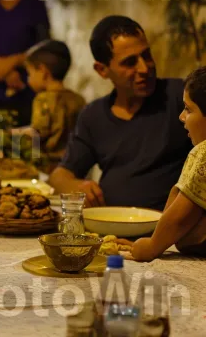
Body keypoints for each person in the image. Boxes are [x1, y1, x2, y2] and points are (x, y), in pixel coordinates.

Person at [49, 16, 193, 210]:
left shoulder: (181, 98)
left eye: (147, 55)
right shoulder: (94, 116)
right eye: (130, 62)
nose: (144, 68)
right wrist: (76, 186)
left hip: (166, 234)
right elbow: (59, 177)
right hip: (110, 230)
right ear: (102, 70)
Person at [132, 68, 206, 261]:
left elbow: (183, 215)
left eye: (188, 109)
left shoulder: (203, 152)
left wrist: (151, 246)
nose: (182, 116)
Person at [15, 40, 85, 172]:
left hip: (47, 165)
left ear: (42, 71)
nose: (28, 79)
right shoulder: (78, 99)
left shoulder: (43, 99)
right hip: (72, 165)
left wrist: (13, 134)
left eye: (30, 73)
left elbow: (39, 131)